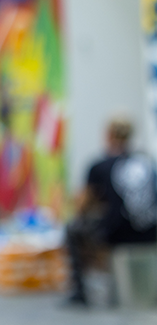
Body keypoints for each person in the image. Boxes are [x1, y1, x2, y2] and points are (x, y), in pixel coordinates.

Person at [65, 116, 157, 306]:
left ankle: (80, 293)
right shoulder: (146, 162)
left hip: (119, 233)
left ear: (108, 135)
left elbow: (82, 205)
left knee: (73, 229)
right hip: (151, 231)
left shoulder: (100, 165)